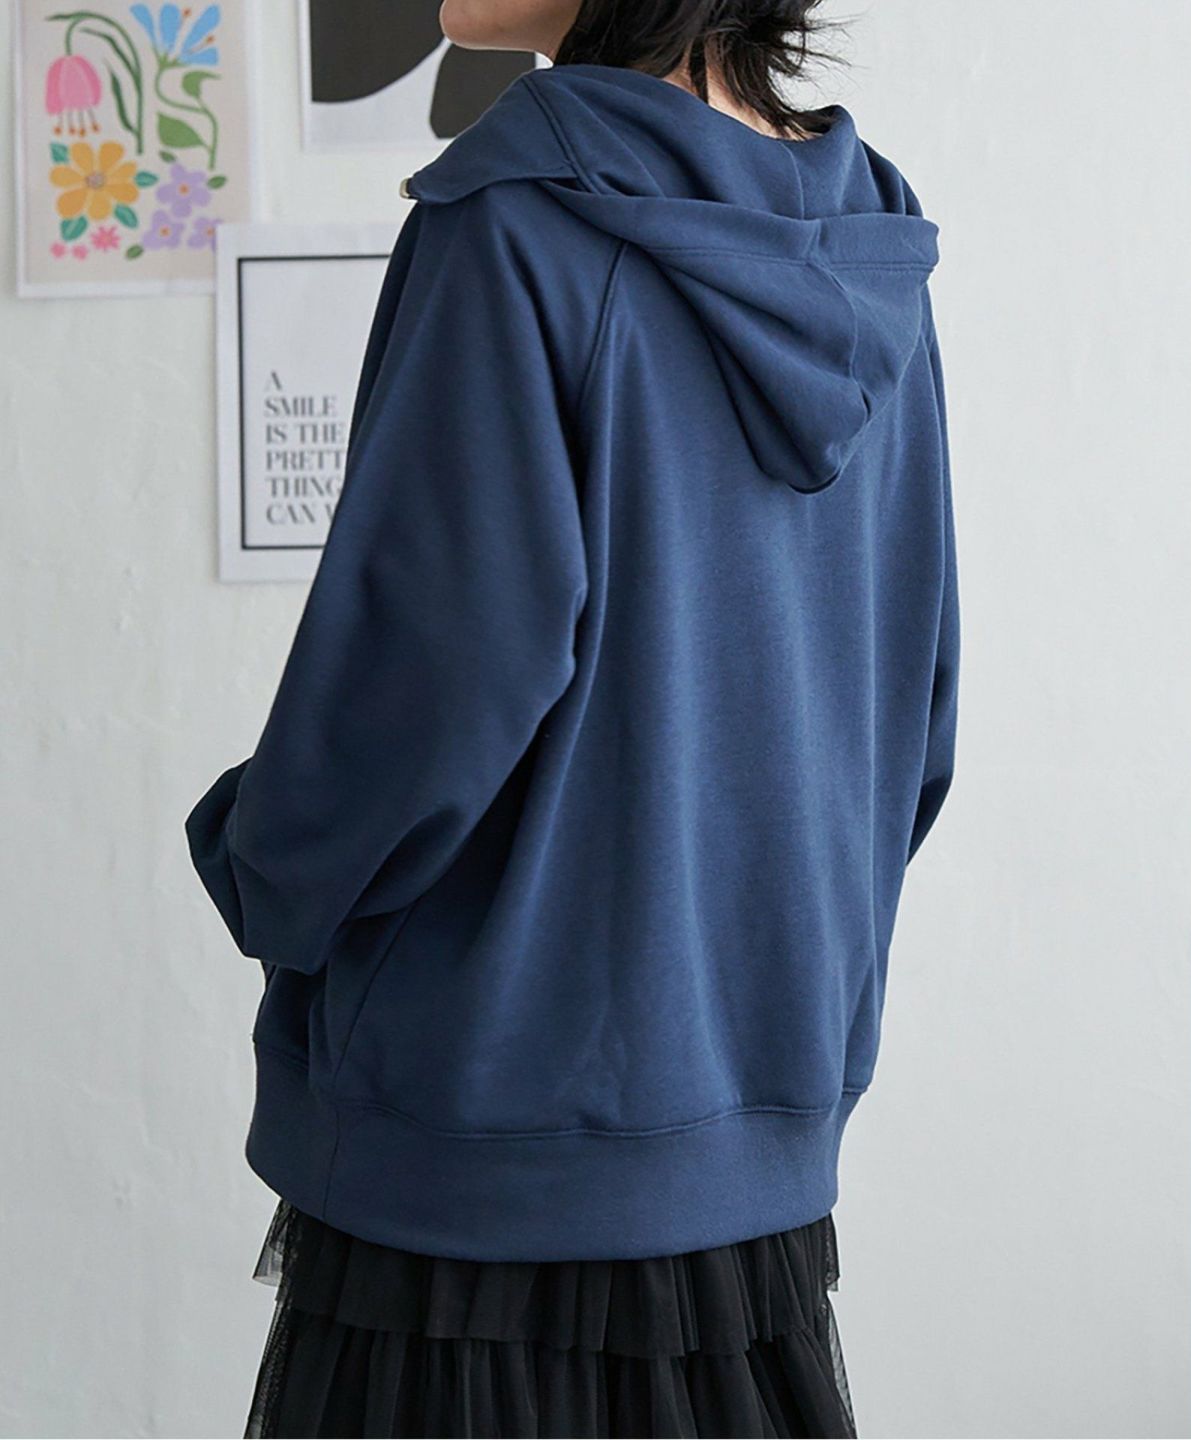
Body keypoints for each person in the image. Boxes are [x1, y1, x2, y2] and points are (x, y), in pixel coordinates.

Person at [184, 1, 960, 1434]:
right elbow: (913, 728)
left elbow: (426, 689)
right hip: (754, 1162)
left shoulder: (517, 221)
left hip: (482, 1160)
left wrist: (261, 860)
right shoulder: (872, 253)